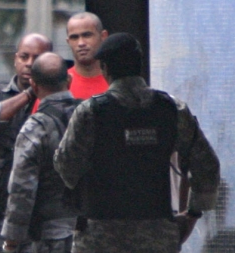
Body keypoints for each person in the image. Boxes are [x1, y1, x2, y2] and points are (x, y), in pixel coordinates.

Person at [53, 32, 220, 253]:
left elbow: (67, 168)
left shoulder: (90, 112)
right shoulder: (172, 109)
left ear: (104, 68)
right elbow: (207, 166)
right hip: (157, 234)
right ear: (140, 64)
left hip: (100, 237)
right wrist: (192, 214)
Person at [0, 33, 53, 253]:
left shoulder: (57, 99)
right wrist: (28, 95)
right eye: (24, 57)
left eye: (36, 58)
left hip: (42, 218)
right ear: (15, 59)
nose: (29, 64)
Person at [1, 52, 79, 253]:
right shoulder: (91, 116)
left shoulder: (35, 127)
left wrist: (11, 241)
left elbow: (22, 190)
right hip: (91, 233)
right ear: (69, 80)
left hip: (50, 238)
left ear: (34, 86)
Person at [31, 12, 109, 112]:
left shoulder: (119, 83)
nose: (81, 43)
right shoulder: (56, 82)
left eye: (87, 35)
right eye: (74, 37)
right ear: (68, 42)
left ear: (103, 36)